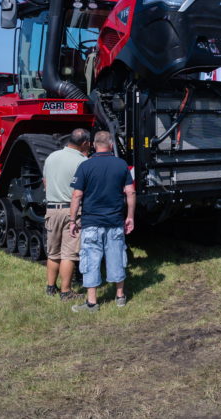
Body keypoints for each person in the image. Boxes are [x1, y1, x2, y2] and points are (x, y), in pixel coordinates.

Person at [68, 131, 135, 313]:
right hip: (114, 221)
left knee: (91, 260)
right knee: (116, 257)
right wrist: (130, 216)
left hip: (91, 222)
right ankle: (120, 296)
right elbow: (130, 192)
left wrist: (73, 220)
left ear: (93, 145)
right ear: (111, 145)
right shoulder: (121, 165)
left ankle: (92, 302)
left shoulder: (85, 166)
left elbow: (77, 195)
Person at [42, 128, 90, 300]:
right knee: (69, 254)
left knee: (53, 252)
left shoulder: (51, 157)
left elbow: (45, 182)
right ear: (84, 143)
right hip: (72, 210)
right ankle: (66, 291)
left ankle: (50, 287)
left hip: (52, 209)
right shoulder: (83, 161)